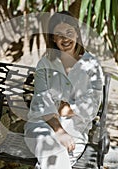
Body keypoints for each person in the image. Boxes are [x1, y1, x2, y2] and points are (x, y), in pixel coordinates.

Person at [24, 11, 104, 169]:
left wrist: (70, 109)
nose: (65, 38)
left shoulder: (91, 65)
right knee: (54, 154)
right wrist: (59, 131)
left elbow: (93, 105)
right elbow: (41, 103)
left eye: (69, 32)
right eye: (59, 34)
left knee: (52, 161)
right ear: (53, 38)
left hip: (76, 129)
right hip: (41, 126)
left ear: (76, 33)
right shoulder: (45, 64)